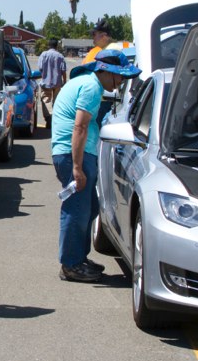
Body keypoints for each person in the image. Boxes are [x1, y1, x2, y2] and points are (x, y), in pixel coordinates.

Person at [50, 49, 140, 283]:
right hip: (74, 155)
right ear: (107, 72)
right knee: (77, 211)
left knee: (88, 208)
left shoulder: (86, 82)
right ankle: (71, 265)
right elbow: (79, 127)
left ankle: (78, 258)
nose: (122, 82)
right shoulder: (92, 88)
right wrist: (77, 167)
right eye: (120, 76)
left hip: (73, 153)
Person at [37, 39, 67, 128]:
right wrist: (64, 82)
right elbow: (63, 71)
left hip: (46, 82)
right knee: (57, 101)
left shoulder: (44, 55)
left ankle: (49, 117)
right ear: (57, 46)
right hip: (57, 83)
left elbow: (40, 68)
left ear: (48, 45)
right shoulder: (60, 56)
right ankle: (55, 118)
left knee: (46, 100)